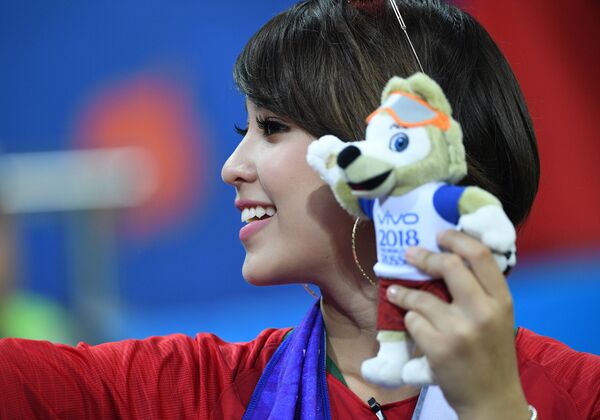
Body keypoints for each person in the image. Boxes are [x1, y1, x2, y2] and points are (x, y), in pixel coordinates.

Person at [0, 0, 598, 419]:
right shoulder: (183, 391)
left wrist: (492, 410)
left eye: (273, 126)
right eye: (246, 127)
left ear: (394, 153)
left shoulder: (582, 396)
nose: (231, 167)